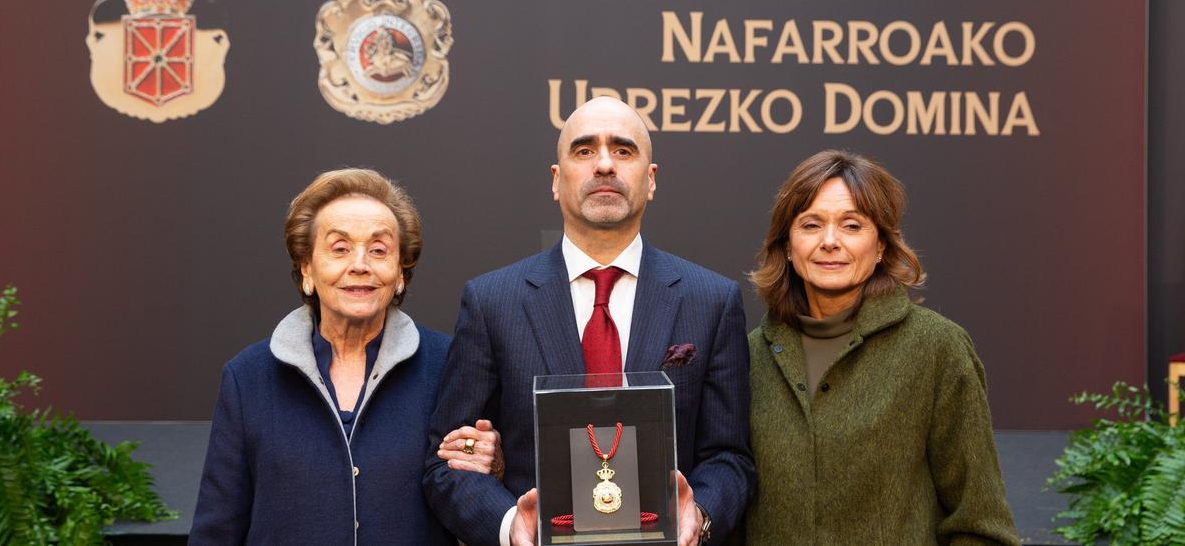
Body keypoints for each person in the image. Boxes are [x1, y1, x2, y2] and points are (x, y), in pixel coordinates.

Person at [424, 97, 756, 546]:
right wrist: (510, 526)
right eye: (584, 151)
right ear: (557, 181)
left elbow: (729, 457)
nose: (603, 164)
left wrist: (697, 514)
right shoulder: (491, 302)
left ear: (651, 180)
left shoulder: (711, 300)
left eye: (623, 150)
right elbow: (448, 461)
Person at [191, 169, 500, 544]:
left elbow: (473, 493)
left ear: (401, 272)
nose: (360, 264)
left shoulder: (451, 364)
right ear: (307, 268)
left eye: (379, 250)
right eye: (339, 248)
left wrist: (491, 466)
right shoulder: (248, 378)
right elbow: (217, 530)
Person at [740, 150, 1019, 544]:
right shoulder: (750, 356)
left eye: (852, 225)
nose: (830, 242)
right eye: (811, 225)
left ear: (883, 246)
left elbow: (981, 524)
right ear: (787, 245)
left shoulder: (937, 348)